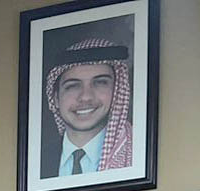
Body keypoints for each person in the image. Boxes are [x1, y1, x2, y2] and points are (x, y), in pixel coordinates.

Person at [41, 38, 133, 178]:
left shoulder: (136, 152)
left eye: (100, 83)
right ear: (55, 99)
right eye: (73, 86)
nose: (86, 97)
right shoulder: (38, 162)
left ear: (117, 91)